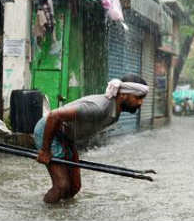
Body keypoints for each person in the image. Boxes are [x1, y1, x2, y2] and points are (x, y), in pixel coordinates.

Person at [34, 74, 149, 203]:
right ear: (123, 95)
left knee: (73, 188)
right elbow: (54, 116)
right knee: (62, 186)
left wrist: (70, 148)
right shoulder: (98, 107)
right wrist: (45, 150)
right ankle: (45, 212)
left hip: (66, 136)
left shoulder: (114, 111)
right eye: (138, 98)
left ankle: (60, 213)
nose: (140, 103)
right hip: (49, 131)